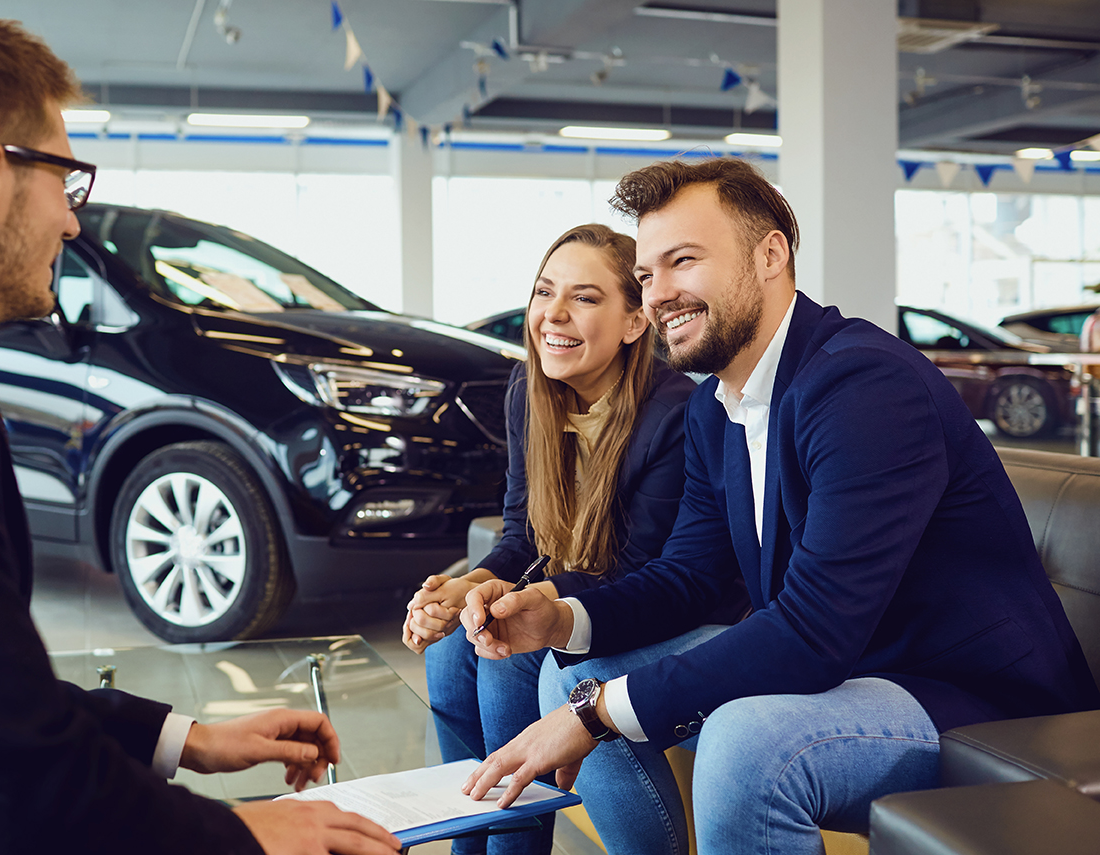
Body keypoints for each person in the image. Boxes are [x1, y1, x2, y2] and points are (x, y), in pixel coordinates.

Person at [0, 8, 399, 855]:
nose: (72, 221)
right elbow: (6, 774)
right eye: (65, 177)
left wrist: (186, 739)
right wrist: (249, 834)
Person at [456, 158, 1100, 855]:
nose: (660, 292)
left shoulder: (864, 384)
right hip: (853, 666)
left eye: (684, 260)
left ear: (771, 254)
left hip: (961, 692)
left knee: (742, 741)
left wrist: (600, 713)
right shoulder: (715, 406)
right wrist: (564, 617)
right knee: (572, 671)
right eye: (646, 274)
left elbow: (816, 627)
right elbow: (692, 575)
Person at [402, 224, 740, 854]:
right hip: (582, 592)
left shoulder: (677, 414)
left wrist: (522, 602)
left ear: (635, 321)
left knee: (513, 657)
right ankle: (466, 842)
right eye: (543, 292)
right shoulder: (526, 392)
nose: (553, 315)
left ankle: (514, 850)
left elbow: (644, 570)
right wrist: (469, 587)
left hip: (663, 605)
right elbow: (520, 536)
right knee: (451, 648)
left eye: (584, 298)